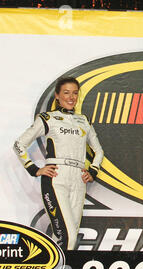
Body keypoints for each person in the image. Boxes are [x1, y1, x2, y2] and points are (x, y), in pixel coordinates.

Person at [13, 77, 104, 251]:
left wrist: (93, 170)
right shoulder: (48, 118)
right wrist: (34, 169)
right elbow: (19, 145)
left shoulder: (83, 120)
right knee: (67, 235)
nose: (71, 97)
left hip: (78, 180)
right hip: (56, 178)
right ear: (57, 95)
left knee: (67, 237)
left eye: (75, 93)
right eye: (66, 93)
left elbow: (99, 151)